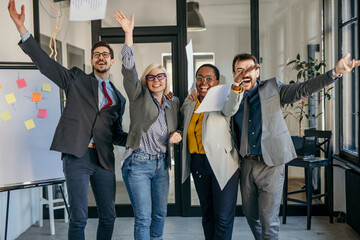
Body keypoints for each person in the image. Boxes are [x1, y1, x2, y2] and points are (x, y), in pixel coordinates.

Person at [8, 1, 128, 239]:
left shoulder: (119, 98)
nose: (101, 58)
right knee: (79, 218)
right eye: (97, 55)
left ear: (113, 61)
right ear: (92, 61)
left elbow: (115, 133)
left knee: (109, 216)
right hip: (78, 156)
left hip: (104, 159)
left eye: (105, 54)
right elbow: (46, 64)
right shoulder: (76, 79)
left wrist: (138, 137)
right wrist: (22, 29)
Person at [222, 52, 360, 240]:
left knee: (269, 221)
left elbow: (303, 89)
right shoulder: (231, 96)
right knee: (251, 215)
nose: (244, 73)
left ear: (257, 72)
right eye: (240, 70)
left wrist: (334, 73)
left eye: (249, 69)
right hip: (246, 164)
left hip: (271, 164)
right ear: (233, 74)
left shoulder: (273, 88)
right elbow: (224, 112)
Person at [114, 10, 182, 240]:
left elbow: (178, 127)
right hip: (138, 164)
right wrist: (128, 34)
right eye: (151, 77)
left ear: (166, 78)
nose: (156, 80)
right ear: (145, 81)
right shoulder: (138, 95)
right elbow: (128, 68)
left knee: (160, 214)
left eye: (160, 75)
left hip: (161, 165)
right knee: (144, 217)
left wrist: (178, 134)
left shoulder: (173, 103)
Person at [181, 64, 240, 240]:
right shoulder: (189, 102)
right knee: (208, 215)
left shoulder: (224, 99)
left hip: (223, 164)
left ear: (217, 82)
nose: (203, 82)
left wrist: (236, 88)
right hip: (198, 164)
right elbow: (180, 123)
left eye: (208, 79)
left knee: (222, 217)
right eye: (199, 78)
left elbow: (231, 109)